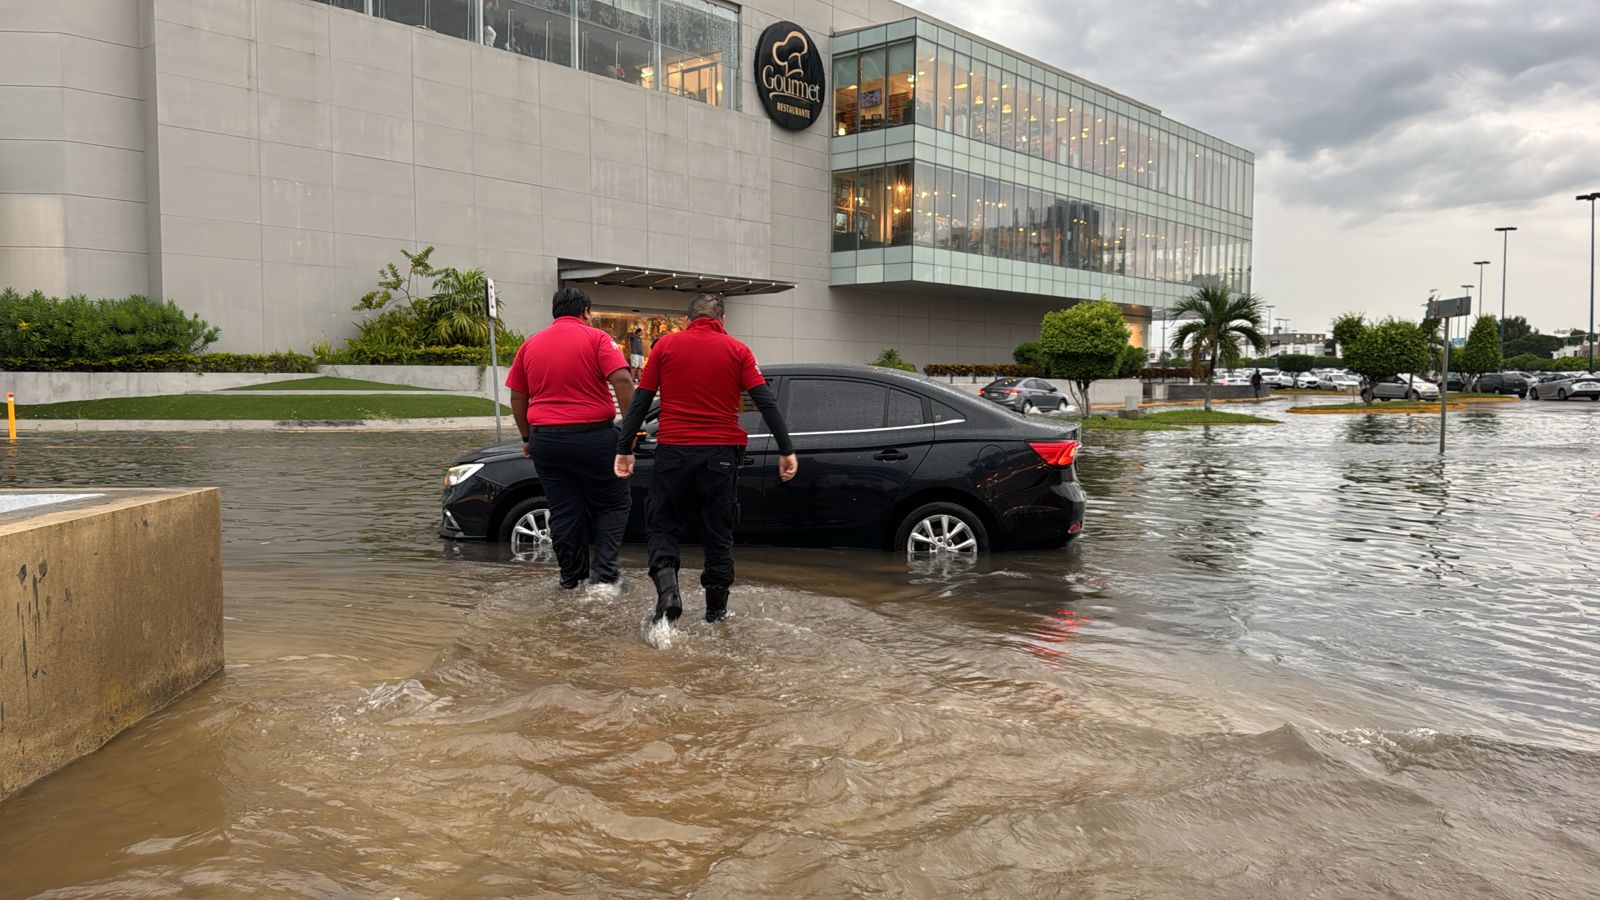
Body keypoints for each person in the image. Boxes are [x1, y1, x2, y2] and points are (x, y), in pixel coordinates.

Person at [614, 294, 798, 624]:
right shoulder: (738, 351)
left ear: (688, 320)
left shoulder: (665, 348)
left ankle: (669, 590)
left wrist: (624, 448)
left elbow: (641, 402)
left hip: (673, 453)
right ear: (722, 320)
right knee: (718, 533)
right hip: (721, 456)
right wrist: (786, 449)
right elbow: (765, 401)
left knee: (662, 523)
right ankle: (716, 613)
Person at [506, 287, 636, 590]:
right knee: (613, 504)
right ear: (586, 312)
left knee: (564, 510)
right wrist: (627, 435)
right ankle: (604, 578)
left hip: (546, 442)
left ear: (555, 312)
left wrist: (527, 437)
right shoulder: (598, 339)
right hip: (594, 438)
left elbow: (517, 396)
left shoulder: (530, 345)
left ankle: (571, 579)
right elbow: (623, 380)